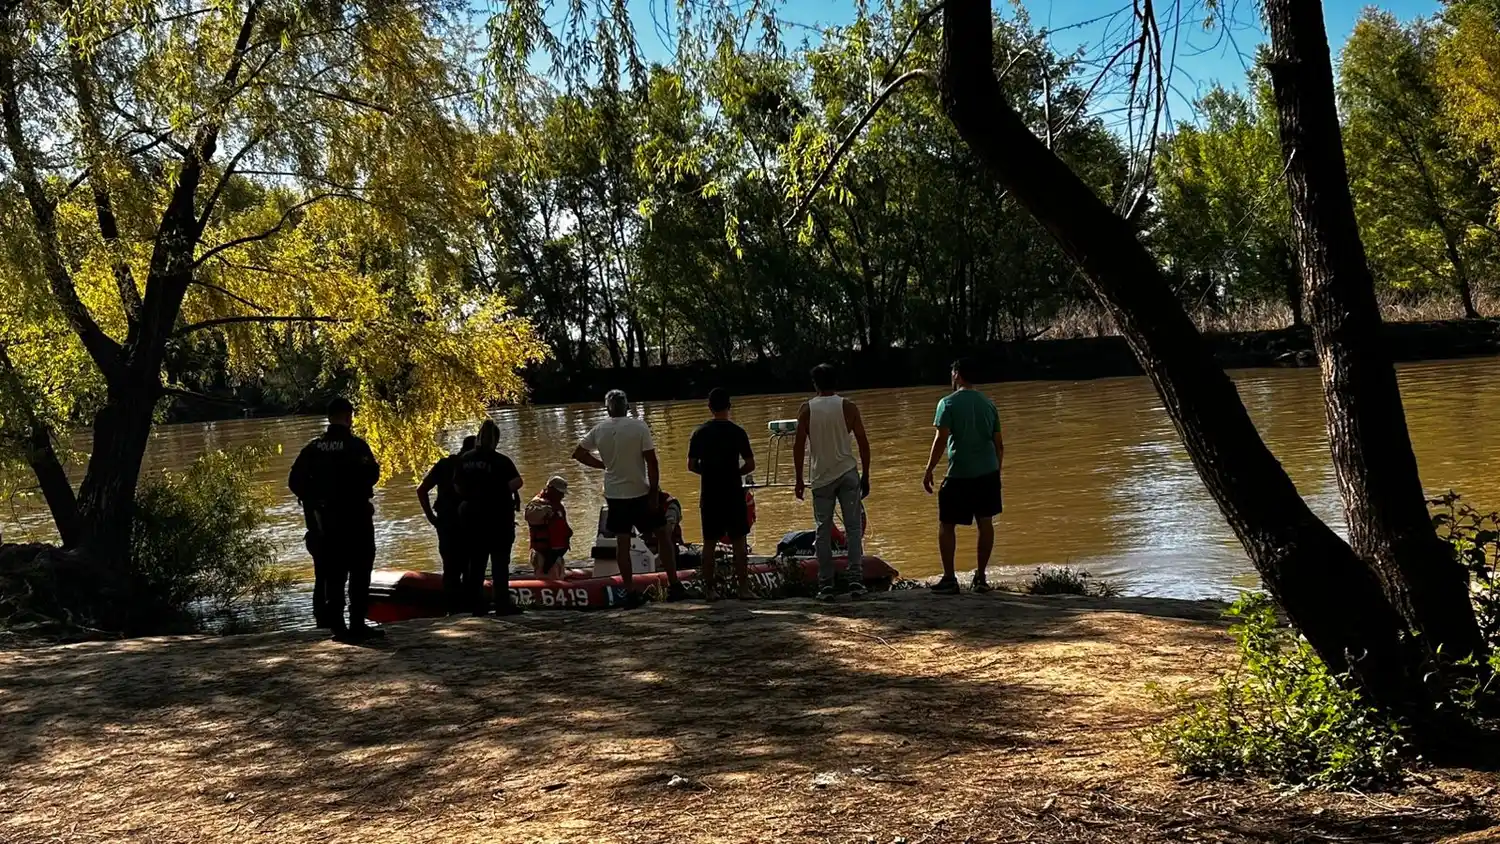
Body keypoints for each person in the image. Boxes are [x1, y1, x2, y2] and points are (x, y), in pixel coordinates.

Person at [572, 389, 685, 605]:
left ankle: (630, 590)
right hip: (640, 493)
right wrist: (653, 492)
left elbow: (578, 453)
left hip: (615, 495)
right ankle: (674, 585)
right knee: (662, 535)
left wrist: (603, 465)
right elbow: (652, 461)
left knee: (622, 543)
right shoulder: (639, 426)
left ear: (607, 409)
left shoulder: (599, 429)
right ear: (628, 407)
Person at [288, 396, 382, 642]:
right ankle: (358, 623)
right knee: (360, 570)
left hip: (326, 520)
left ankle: (338, 627)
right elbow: (372, 475)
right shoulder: (356, 446)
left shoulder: (313, 448)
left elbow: (294, 481)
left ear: (329, 417)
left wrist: (314, 499)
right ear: (349, 416)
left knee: (334, 572)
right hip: (356, 518)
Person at [923, 358, 1004, 594]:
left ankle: (950, 578)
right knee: (985, 522)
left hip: (959, 473)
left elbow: (940, 440)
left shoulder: (947, 404)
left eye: (952, 374)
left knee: (947, 524)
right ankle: (981, 578)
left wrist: (928, 470)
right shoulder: (989, 404)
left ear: (957, 375)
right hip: (987, 472)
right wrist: (996, 472)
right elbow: (999, 444)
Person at [793, 364, 872, 601]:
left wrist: (798, 478)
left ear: (815, 384)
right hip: (848, 472)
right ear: (836, 382)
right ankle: (856, 580)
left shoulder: (807, 409)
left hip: (821, 478)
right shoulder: (848, 407)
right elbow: (863, 442)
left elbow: (798, 446)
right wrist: (866, 474)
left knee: (823, 531)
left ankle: (825, 584)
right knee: (853, 529)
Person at [687, 388, 756, 600]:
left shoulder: (699, 433)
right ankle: (743, 589)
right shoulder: (738, 432)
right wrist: (735, 473)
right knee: (739, 541)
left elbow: (691, 465)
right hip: (733, 492)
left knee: (708, 543)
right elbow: (750, 464)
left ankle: (709, 590)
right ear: (729, 406)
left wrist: (708, 472)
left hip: (710, 493)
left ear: (709, 407)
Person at [454, 419, 525, 616]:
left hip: (472, 517)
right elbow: (517, 482)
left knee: (476, 563)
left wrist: (474, 494)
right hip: (498, 517)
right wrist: (498, 491)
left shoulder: (465, 460)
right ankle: (502, 603)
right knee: (500, 562)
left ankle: (476, 605)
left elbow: (457, 487)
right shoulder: (501, 460)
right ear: (496, 439)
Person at [418, 434, 477, 614]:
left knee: (450, 568)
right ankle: (470, 608)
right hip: (467, 523)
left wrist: (431, 517)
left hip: (445, 523)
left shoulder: (443, 464)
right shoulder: (473, 466)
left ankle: (453, 610)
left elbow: (422, 490)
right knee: (471, 566)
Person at [525, 476, 573, 579]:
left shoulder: (557, 505)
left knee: (558, 577)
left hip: (557, 554)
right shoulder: (536, 504)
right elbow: (529, 517)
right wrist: (545, 511)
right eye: (560, 492)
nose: (562, 496)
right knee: (546, 579)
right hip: (542, 554)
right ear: (550, 489)